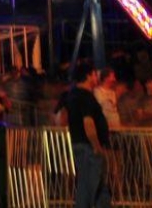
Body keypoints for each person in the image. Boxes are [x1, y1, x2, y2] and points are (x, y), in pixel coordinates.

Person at [63, 62, 111, 208]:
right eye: (95, 74)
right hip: (88, 147)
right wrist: (96, 146)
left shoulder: (71, 95)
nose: (97, 77)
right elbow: (88, 123)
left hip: (78, 144)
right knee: (90, 188)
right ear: (88, 76)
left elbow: (59, 117)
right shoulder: (86, 97)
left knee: (97, 188)